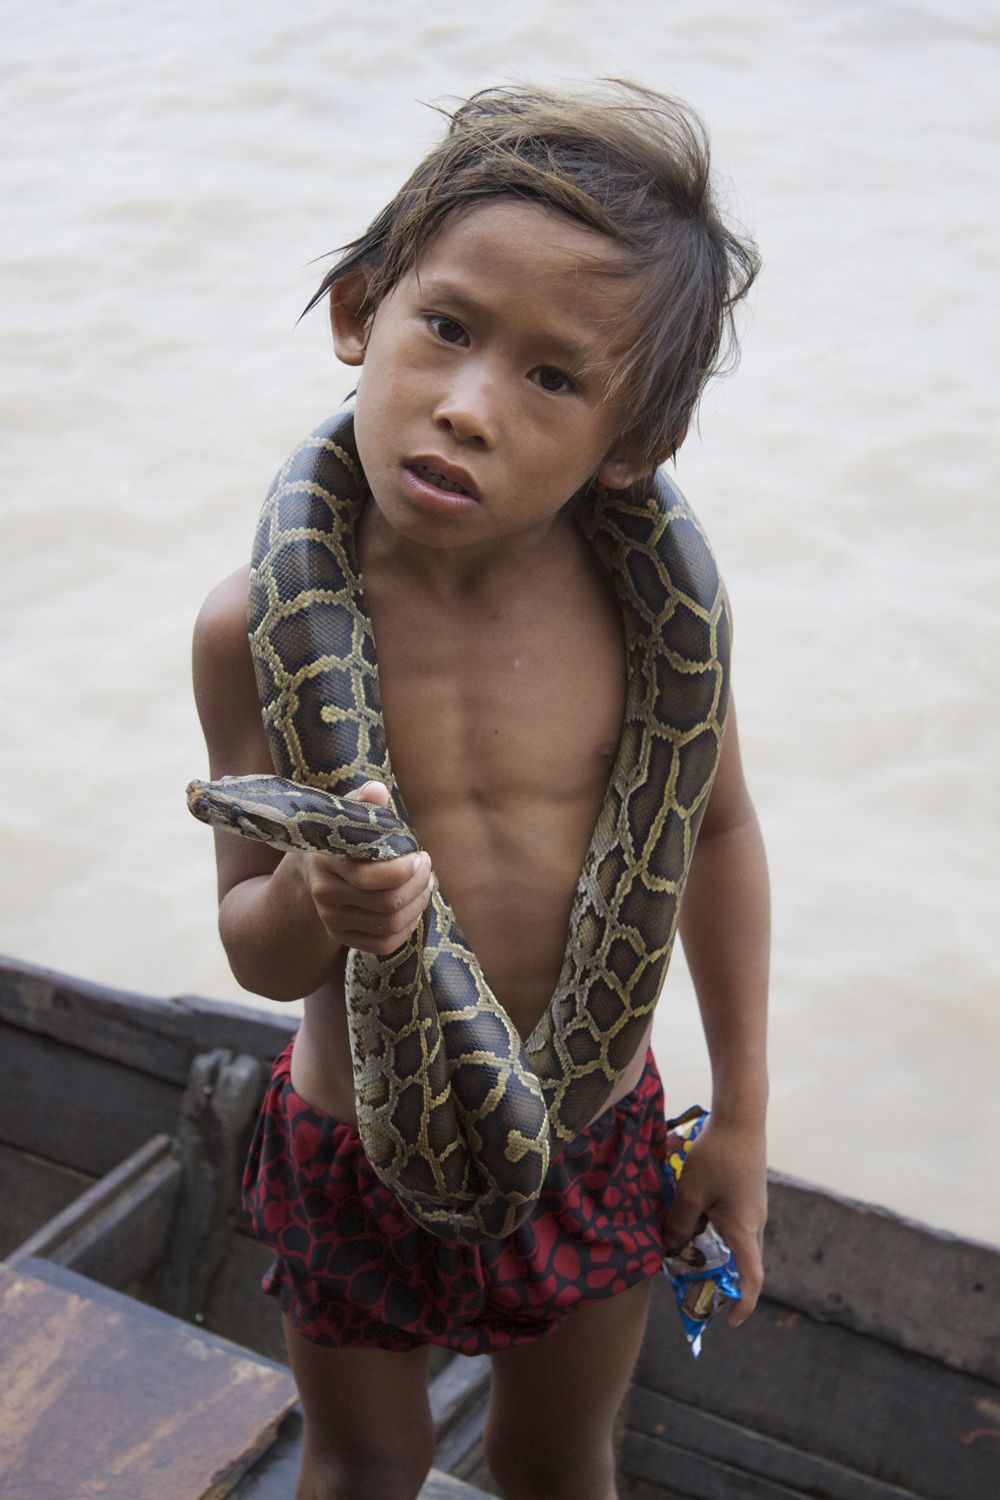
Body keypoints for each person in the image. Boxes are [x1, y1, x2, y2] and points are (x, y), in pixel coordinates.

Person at [193, 81, 769, 1500]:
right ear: (357, 315)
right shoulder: (246, 629)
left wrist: (743, 1118)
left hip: (595, 1136)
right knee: (363, 1463)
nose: (466, 406)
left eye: (554, 378)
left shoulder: (652, 628)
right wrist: (325, 903)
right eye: (445, 327)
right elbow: (254, 955)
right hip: (349, 1149)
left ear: (634, 446)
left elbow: (721, 832)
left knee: (562, 1460)